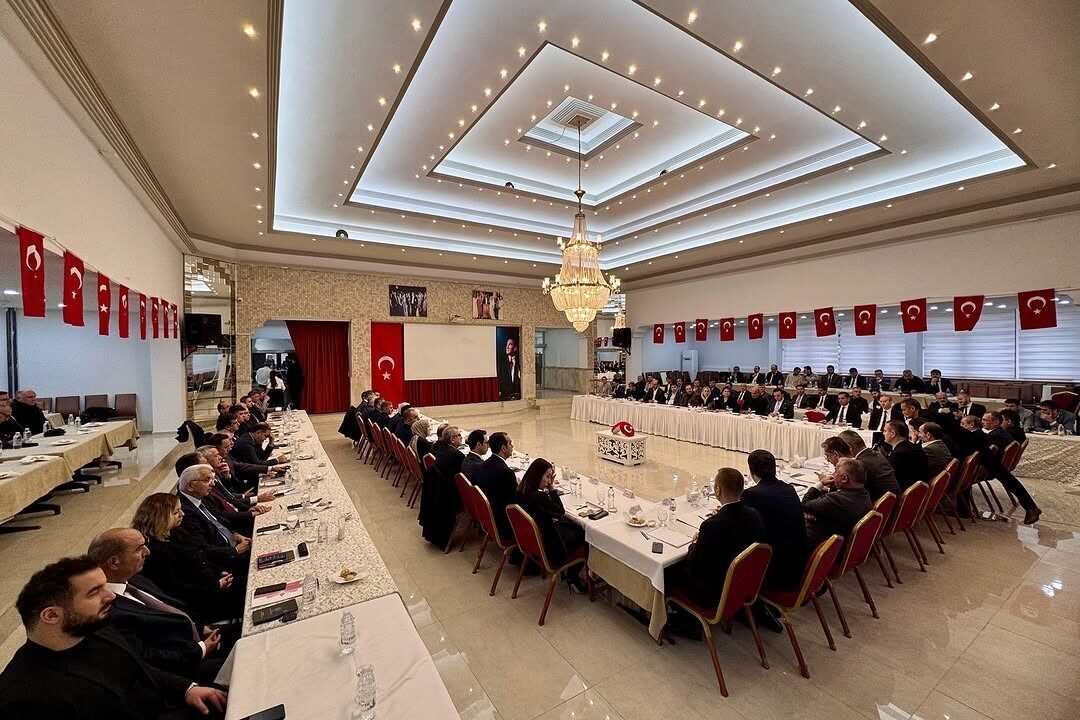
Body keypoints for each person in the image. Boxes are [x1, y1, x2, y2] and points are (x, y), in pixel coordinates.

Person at [0, 556, 226, 719]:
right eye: (94, 592)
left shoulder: (95, 627)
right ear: (51, 615)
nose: (110, 595)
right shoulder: (24, 698)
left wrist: (187, 689)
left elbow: (140, 668)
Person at [86, 529, 229, 683]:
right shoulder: (105, 610)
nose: (147, 552)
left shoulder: (135, 578)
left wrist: (199, 628)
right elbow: (146, 657)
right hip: (185, 670)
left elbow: (171, 607)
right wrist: (201, 649)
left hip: (196, 636)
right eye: (139, 549)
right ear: (114, 562)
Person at [131, 493, 241, 624]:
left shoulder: (176, 531)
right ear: (160, 517)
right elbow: (176, 588)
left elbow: (202, 554)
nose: (182, 514)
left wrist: (219, 572)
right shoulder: (154, 551)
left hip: (213, 582)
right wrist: (216, 585)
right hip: (202, 601)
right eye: (176, 512)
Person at [666, 468, 766, 610]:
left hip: (713, 594)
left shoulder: (711, 526)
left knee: (668, 570)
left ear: (718, 490)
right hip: (744, 584)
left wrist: (695, 543)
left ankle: (675, 616)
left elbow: (694, 564)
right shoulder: (754, 514)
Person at [742, 450, 808, 595]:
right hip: (798, 563)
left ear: (752, 471)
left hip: (775, 570)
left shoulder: (751, 494)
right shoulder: (788, 488)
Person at [516, 459, 587, 589]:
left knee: (573, 526)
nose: (549, 481)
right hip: (551, 550)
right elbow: (560, 511)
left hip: (532, 544)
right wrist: (552, 489)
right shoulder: (539, 497)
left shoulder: (520, 491)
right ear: (538, 475)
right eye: (547, 476)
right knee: (584, 535)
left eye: (550, 477)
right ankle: (573, 577)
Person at [957, 415, 1041, 524]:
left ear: (996, 422)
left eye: (985, 420)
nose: (982, 422)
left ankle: (961, 509)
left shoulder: (994, 436)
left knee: (1004, 477)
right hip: (989, 466)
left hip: (983, 468)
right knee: (1006, 477)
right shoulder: (991, 434)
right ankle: (1031, 507)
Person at [176, 464, 251, 575]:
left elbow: (219, 521)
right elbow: (202, 548)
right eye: (207, 480)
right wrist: (236, 550)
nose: (213, 483)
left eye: (212, 479)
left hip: (232, 544)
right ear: (190, 486)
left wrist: (234, 535)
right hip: (224, 561)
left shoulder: (199, 496)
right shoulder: (184, 511)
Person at [802, 458, 872, 544]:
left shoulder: (836, 499)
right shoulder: (864, 494)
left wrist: (820, 483)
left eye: (835, 472)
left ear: (844, 478)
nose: (833, 475)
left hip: (822, 543)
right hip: (843, 537)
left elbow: (805, 504)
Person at [419, 426, 466, 550]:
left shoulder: (440, 449)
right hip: (449, 495)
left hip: (438, 492)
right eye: (459, 436)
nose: (461, 438)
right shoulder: (457, 455)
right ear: (452, 439)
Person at [474, 432, 517, 539]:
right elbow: (515, 502)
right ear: (503, 448)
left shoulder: (485, 464)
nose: (512, 446)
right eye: (510, 443)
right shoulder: (506, 473)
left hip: (488, 517)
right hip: (503, 523)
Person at [835, 430, 899, 501]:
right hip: (892, 500)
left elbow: (851, 490)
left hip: (879, 503)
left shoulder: (860, 464)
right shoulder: (876, 454)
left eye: (840, 450)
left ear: (850, 447)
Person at [883, 421, 929, 490]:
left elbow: (889, 479)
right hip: (919, 489)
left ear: (893, 434)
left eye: (885, 431)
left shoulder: (898, 454)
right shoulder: (914, 447)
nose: (883, 433)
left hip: (907, 491)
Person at [497, 335, 521, 399]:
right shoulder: (501, 362)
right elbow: (499, 377)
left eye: (510, 344)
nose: (507, 347)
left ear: (515, 348)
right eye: (506, 345)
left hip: (517, 393)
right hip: (505, 394)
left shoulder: (520, 361)